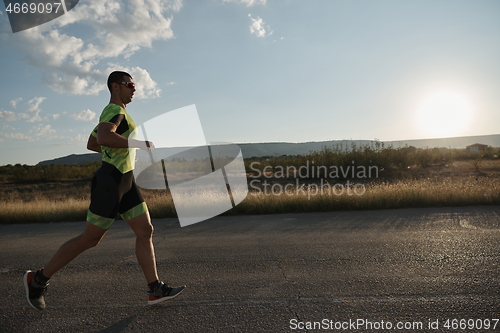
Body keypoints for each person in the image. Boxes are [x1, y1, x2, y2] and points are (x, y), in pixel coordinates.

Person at [23, 71, 185, 310]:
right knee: (90, 239)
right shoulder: (114, 111)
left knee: (145, 230)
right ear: (115, 86)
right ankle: (37, 280)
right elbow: (104, 136)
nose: (134, 88)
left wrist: (115, 148)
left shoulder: (119, 113)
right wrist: (138, 144)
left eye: (134, 85)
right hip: (111, 182)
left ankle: (155, 289)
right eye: (130, 84)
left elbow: (92, 143)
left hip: (126, 181)